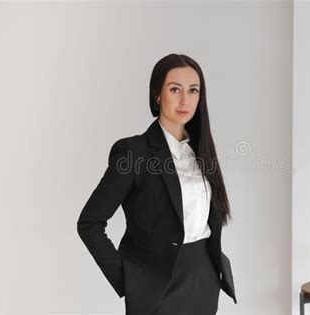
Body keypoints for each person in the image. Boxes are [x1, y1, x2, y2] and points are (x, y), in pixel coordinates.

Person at [77, 53, 237, 315]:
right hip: (158, 286)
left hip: (204, 280)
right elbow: (89, 223)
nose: (185, 100)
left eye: (193, 90)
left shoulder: (201, 150)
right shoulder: (134, 153)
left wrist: (211, 271)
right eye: (175, 89)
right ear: (156, 94)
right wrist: (128, 279)